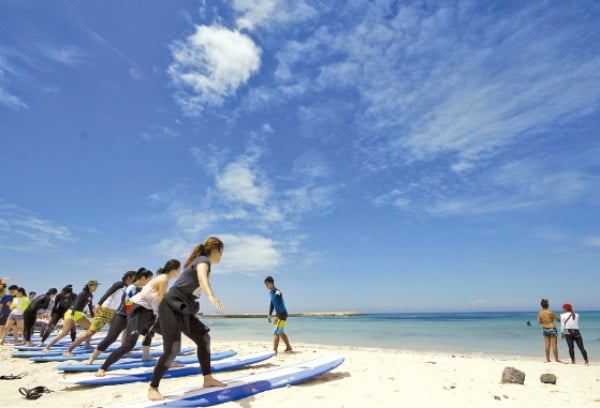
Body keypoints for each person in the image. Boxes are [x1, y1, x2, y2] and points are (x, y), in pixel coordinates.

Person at [148, 237, 226, 401]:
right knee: (173, 348)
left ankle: (208, 378)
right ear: (217, 250)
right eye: (222, 252)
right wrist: (211, 296)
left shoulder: (202, 261)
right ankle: (153, 387)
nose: (221, 256)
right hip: (170, 306)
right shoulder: (203, 261)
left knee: (204, 338)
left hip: (184, 308)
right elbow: (202, 278)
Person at [96, 261, 181, 377]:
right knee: (128, 345)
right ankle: (103, 368)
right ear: (174, 269)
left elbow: (159, 300)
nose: (180, 272)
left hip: (148, 312)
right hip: (138, 311)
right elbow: (160, 301)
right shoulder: (163, 280)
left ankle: (169, 361)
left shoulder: (163, 279)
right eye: (179, 269)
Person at [85, 268, 154, 365]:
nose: (150, 281)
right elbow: (128, 302)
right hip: (121, 316)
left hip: (133, 317)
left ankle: (146, 356)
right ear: (143, 278)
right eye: (149, 279)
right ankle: (91, 359)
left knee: (149, 331)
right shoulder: (131, 288)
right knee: (111, 338)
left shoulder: (142, 290)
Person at [62, 271, 135, 357]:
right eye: (135, 277)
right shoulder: (119, 284)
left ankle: (124, 349)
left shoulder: (128, 288)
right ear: (129, 277)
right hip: (104, 310)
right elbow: (107, 293)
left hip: (114, 312)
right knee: (91, 332)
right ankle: (68, 350)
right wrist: (99, 303)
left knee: (125, 328)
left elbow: (126, 301)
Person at [43, 280, 98, 351]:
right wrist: (72, 315)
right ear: (89, 286)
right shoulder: (83, 293)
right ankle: (46, 347)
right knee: (64, 333)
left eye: (96, 286)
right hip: (71, 312)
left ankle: (87, 345)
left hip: (78, 314)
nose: (96, 287)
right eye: (95, 286)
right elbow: (76, 304)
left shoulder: (90, 295)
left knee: (91, 328)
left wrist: (93, 316)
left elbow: (90, 306)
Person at [264, 276, 293, 354]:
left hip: (282, 314)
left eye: (267, 284)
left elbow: (279, 304)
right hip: (281, 314)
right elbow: (272, 304)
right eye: (265, 285)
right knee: (280, 332)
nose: (266, 286)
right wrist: (269, 314)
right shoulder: (271, 293)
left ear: (271, 283)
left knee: (276, 332)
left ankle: (274, 351)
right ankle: (288, 347)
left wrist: (277, 315)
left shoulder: (277, 292)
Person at [537, 298, 561, 363]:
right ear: (548, 305)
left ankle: (547, 359)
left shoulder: (540, 313)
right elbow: (558, 320)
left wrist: (544, 321)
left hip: (545, 329)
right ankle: (556, 359)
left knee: (547, 345)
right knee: (554, 345)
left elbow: (539, 322)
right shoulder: (550, 312)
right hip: (552, 328)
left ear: (541, 305)